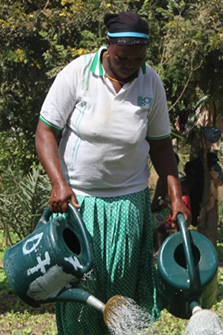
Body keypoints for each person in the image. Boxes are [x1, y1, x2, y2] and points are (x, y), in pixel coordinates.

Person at [35, 11, 191, 334]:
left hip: (127, 208)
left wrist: (176, 197)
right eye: (122, 57)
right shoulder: (78, 73)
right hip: (77, 205)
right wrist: (58, 184)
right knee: (79, 298)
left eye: (138, 57)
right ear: (107, 45)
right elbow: (45, 132)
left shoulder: (151, 82)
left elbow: (161, 147)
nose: (130, 64)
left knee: (120, 297)